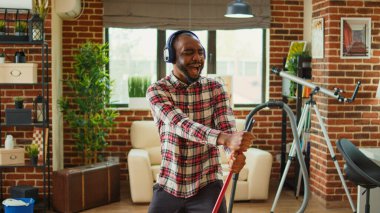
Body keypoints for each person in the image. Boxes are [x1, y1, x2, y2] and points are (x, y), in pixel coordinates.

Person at [146, 30, 254, 213]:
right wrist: (225, 139)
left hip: (207, 185)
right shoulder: (157, 91)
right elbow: (179, 124)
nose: (197, 58)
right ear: (171, 56)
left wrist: (232, 153)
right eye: (188, 52)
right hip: (169, 184)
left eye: (201, 52)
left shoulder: (215, 88)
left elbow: (226, 126)